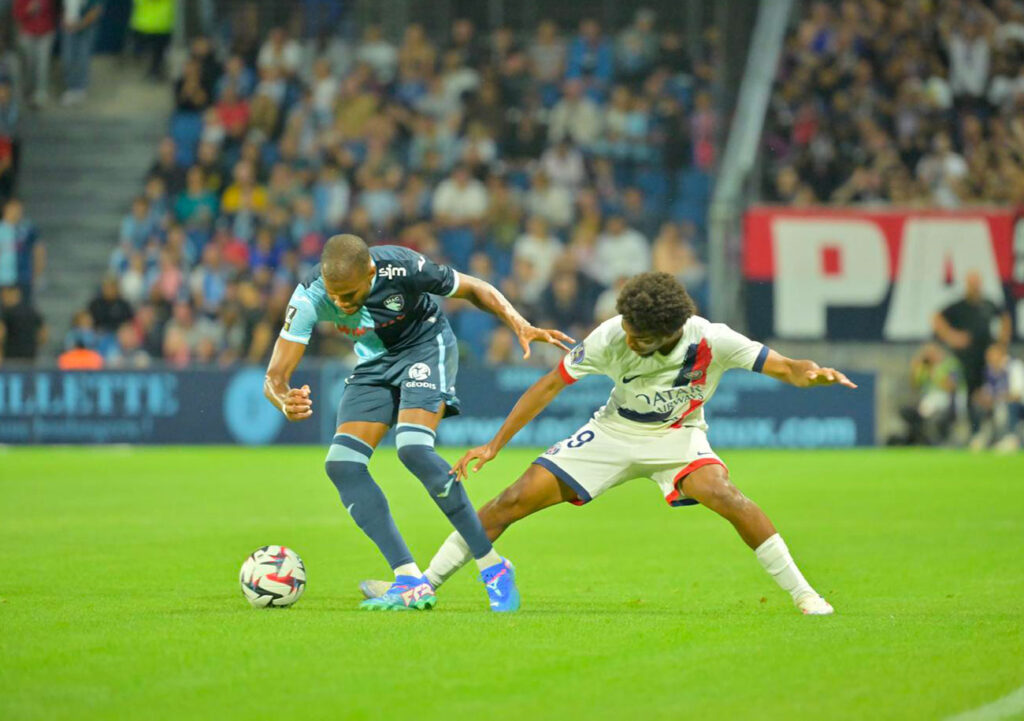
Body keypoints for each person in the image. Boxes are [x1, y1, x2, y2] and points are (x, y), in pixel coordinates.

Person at [362, 272, 855, 615]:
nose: (625, 333)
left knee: (727, 496)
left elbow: (787, 367)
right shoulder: (610, 336)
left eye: (636, 332)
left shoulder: (713, 340)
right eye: (624, 322)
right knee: (511, 500)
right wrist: (494, 445)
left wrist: (810, 374)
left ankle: (805, 595)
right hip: (613, 432)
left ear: (669, 332)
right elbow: (549, 385)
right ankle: (425, 582)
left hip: (677, 437)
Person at [262, 234, 573, 611]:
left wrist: (518, 323)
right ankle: (409, 579)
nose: (340, 304)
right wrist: (283, 400)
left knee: (413, 449)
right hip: (374, 364)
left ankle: (492, 567)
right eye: (335, 295)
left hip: (426, 347)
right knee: (342, 465)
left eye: (349, 295)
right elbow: (275, 376)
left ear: (371, 273)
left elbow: (474, 288)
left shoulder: (403, 267)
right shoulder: (311, 296)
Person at [932, 271, 1011, 421]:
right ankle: (968, 428)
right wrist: (951, 336)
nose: (975, 288)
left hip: (986, 361)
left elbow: (1005, 318)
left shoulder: (988, 304)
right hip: (965, 361)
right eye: (972, 284)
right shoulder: (959, 306)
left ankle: (989, 427)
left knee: (990, 394)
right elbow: (936, 318)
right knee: (964, 396)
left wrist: (1001, 344)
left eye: (977, 284)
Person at [13, 0, 58, 107]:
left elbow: (56, 11)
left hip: (46, 33)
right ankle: (28, 92)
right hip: (27, 33)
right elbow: (16, 15)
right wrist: (28, 10)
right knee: (29, 65)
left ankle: (40, 95)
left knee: (42, 65)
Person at [60, 0, 105, 106]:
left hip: (85, 29)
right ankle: (70, 88)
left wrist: (79, 25)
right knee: (68, 58)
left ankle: (79, 90)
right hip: (68, 27)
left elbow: (96, 10)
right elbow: (61, 6)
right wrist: (63, 20)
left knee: (82, 59)